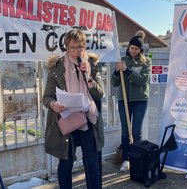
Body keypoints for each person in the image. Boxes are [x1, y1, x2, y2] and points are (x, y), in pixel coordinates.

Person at [43, 29, 104, 188]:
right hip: (67, 119)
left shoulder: (91, 65)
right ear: (66, 48)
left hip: (88, 118)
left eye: (80, 47)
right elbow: (47, 97)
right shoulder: (57, 68)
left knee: (92, 162)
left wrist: (89, 79)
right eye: (73, 47)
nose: (77, 51)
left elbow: (99, 94)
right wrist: (53, 105)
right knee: (66, 163)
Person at [111, 30, 151, 172]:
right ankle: (126, 159)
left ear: (140, 50)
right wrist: (117, 72)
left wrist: (127, 70)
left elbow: (142, 80)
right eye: (131, 48)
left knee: (136, 131)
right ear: (128, 47)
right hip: (124, 100)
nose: (133, 50)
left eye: (136, 48)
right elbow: (114, 83)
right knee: (125, 132)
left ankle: (137, 158)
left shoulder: (146, 61)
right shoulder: (122, 60)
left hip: (140, 101)